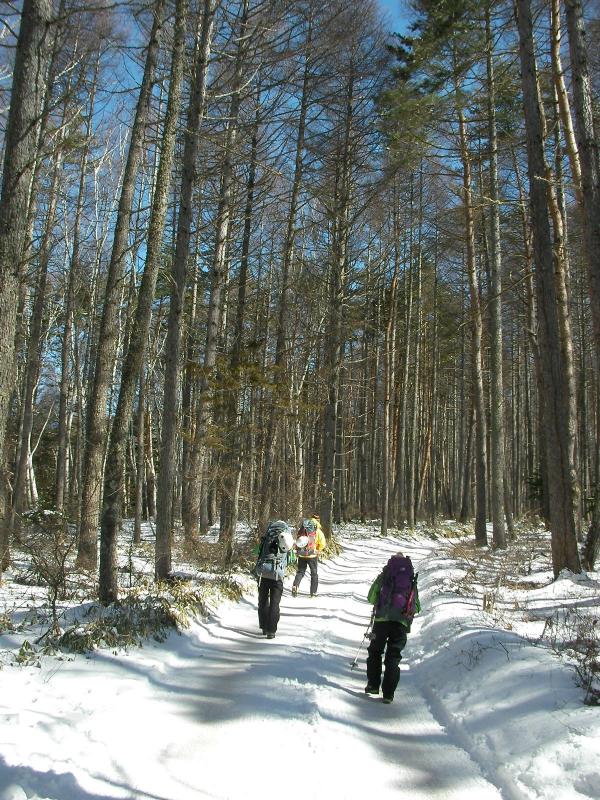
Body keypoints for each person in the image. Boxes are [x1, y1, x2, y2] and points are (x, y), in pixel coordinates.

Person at [364, 552, 420, 704]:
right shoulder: (410, 580)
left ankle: (373, 685)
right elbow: (417, 606)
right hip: (401, 623)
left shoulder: (384, 576)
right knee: (393, 657)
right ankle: (388, 694)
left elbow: (371, 597)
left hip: (381, 621)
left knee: (375, 652)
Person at [254, 520, 294, 639]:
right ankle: (271, 630)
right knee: (275, 603)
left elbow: (256, 552)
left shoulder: (266, 538)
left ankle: (264, 626)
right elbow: (292, 559)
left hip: (264, 574)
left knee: (263, 601)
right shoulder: (286, 541)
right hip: (278, 575)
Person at [291, 515, 325, 598]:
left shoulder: (303, 528)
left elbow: (298, 541)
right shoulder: (317, 530)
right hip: (312, 555)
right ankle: (313, 592)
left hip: (302, 554)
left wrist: (298, 550)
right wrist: (318, 549)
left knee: (300, 572)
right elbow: (323, 543)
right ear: (318, 521)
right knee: (314, 574)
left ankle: (295, 585)